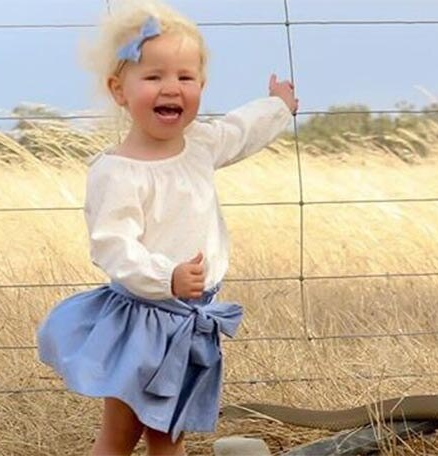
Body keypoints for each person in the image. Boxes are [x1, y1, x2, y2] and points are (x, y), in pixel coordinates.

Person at [36, 0, 298, 454]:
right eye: (153, 77)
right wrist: (166, 277)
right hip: (143, 319)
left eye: (184, 77)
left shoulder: (198, 144)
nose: (170, 88)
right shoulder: (117, 172)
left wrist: (277, 108)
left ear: (201, 85)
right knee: (121, 434)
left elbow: (239, 131)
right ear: (119, 90)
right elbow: (112, 245)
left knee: (167, 431)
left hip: (189, 322)